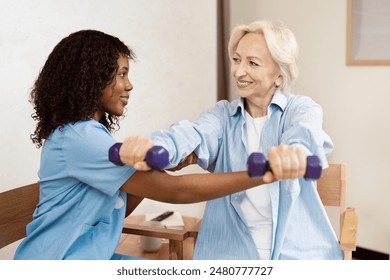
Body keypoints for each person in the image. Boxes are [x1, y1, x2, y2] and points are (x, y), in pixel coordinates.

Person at [13, 29, 292, 260]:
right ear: (93, 78)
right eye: (122, 74)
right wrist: (262, 173)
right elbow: (176, 192)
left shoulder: (82, 135)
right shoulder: (83, 139)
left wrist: (161, 162)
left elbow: (127, 195)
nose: (129, 85)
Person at [124, 20, 343, 260]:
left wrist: (294, 153)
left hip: (296, 254)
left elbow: (305, 134)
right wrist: (156, 146)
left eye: (252, 63)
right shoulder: (222, 116)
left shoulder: (301, 109)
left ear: (279, 75)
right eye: (237, 60)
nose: (238, 71)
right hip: (229, 252)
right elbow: (192, 133)